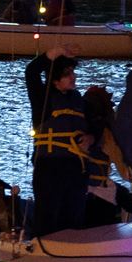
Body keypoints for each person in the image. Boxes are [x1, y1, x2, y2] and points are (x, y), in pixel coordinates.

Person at [26, 54, 90, 238]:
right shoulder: (43, 99)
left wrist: (91, 137)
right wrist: (54, 52)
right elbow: (31, 72)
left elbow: (94, 125)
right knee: (48, 217)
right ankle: (43, 249)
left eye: (73, 72)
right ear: (55, 80)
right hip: (50, 166)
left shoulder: (78, 100)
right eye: (67, 74)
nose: (73, 77)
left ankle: (72, 249)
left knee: (74, 217)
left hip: (76, 166)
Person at [79, 83, 132, 226]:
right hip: (99, 195)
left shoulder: (73, 129)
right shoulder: (106, 134)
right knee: (125, 198)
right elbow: (126, 172)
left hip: (75, 192)